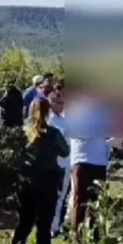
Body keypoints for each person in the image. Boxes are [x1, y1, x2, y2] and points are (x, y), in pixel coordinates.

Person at [8, 99, 69, 244]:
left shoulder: (23, 132)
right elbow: (65, 151)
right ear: (48, 112)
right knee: (44, 223)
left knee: (24, 222)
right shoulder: (53, 133)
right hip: (47, 181)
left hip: (25, 181)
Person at [67, 87, 118, 231]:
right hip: (81, 160)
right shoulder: (76, 111)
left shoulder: (102, 112)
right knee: (80, 199)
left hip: (99, 161)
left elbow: (110, 130)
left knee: (96, 200)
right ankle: (76, 233)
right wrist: (97, 131)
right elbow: (77, 131)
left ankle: (94, 233)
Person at [47, 90, 72, 236]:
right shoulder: (51, 122)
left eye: (63, 102)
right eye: (58, 103)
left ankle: (58, 224)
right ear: (51, 104)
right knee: (56, 196)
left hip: (66, 162)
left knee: (62, 196)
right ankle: (53, 227)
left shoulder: (64, 120)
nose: (62, 105)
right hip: (56, 163)